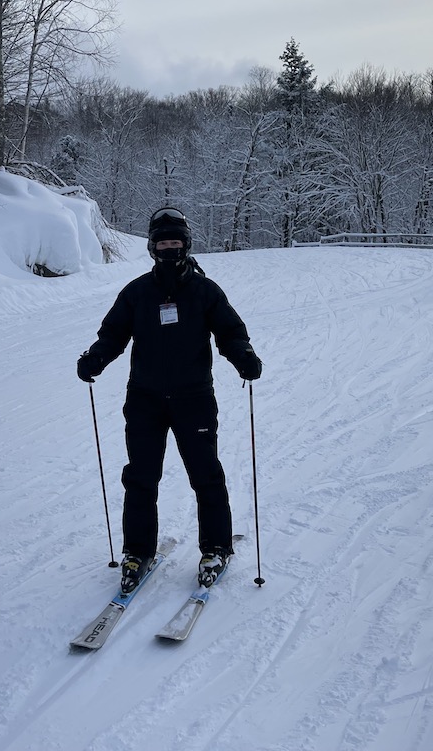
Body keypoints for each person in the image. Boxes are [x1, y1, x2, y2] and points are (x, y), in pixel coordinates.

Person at [76, 206, 262, 593]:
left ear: (187, 245)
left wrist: (243, 355)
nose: (169, 249)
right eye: (162, 243)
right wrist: (96, 357)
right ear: (152, 248)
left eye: (175, 243)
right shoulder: (137, 293)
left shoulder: (205, 291)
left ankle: (215, 547)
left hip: (193, 398)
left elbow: (229, 331)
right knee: (140, 478)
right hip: (144, 399)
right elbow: (113, 334)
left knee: (205, 475)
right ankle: (137, 551)